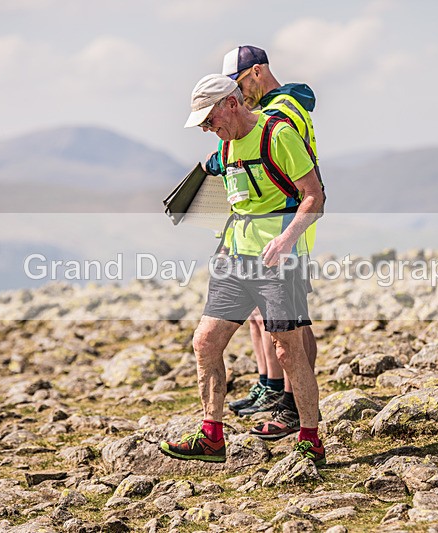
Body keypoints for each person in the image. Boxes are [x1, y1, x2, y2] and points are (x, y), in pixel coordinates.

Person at [160, 74, 325, 465]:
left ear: (231, 104)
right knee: (205, 342)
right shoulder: (226, 143)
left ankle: (310, 440)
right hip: (235, 259)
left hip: (279, 260)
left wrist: (286, 240)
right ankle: (211, 437)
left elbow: (315, 196)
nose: (205, 127)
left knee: (288, 350)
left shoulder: (278, 135)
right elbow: (229, 193)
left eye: (209, 118)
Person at [206, 46, 320, 439]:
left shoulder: (282, 112)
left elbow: (302, 183)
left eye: (238, 85)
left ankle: (291, 408)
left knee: (292, 329)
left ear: (256, 72)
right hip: (261, 237)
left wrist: (290, 236)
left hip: (288, 232)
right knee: (270, 322)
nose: (239, 94)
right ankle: (273, 389)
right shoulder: (270, 109)